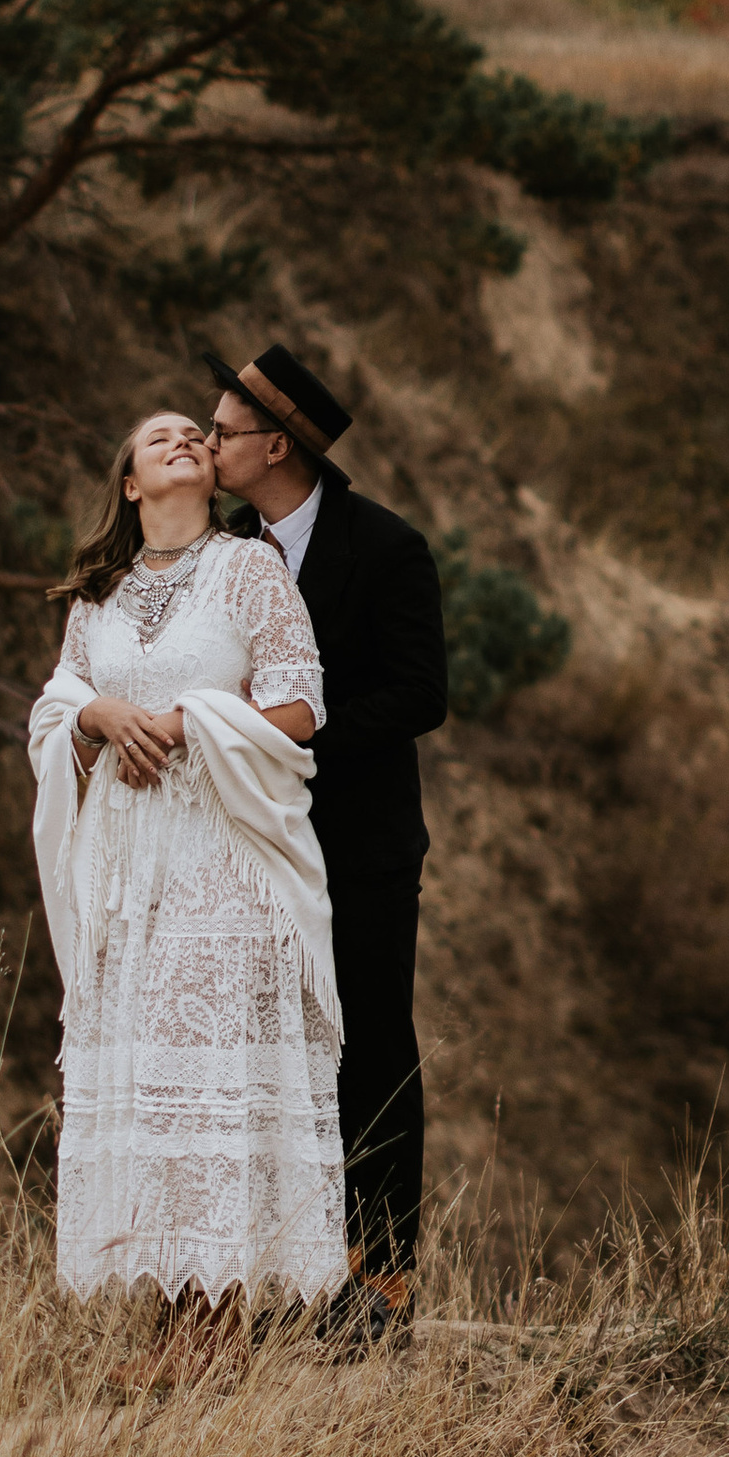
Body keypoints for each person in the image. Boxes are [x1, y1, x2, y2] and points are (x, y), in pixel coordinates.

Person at [25, 408, 346, 1342]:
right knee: (151, 1083)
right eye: (157, 435)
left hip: (222, 857)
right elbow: (56, 711)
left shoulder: (250, 569)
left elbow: (300, 706)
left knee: (211, 1081)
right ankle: (174, 1321)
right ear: (131, 484)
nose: (183, 438)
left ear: (210, 473)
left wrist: (181, 720)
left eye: (193, 435)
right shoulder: (98, 598)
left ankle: (217, 1330)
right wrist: (98, 718)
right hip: (127, 870)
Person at [205, 344, 447, 1346]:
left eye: (223, 432)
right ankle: (285, 1275)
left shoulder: (385, 547)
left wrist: (295, 742)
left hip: (360, 846)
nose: (208, 445)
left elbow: (419, 693)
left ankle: (377, 1280)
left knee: (370, 1050)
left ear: (276, 445)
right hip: (252, 852)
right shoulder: (223, 551)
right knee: (271, 1061)